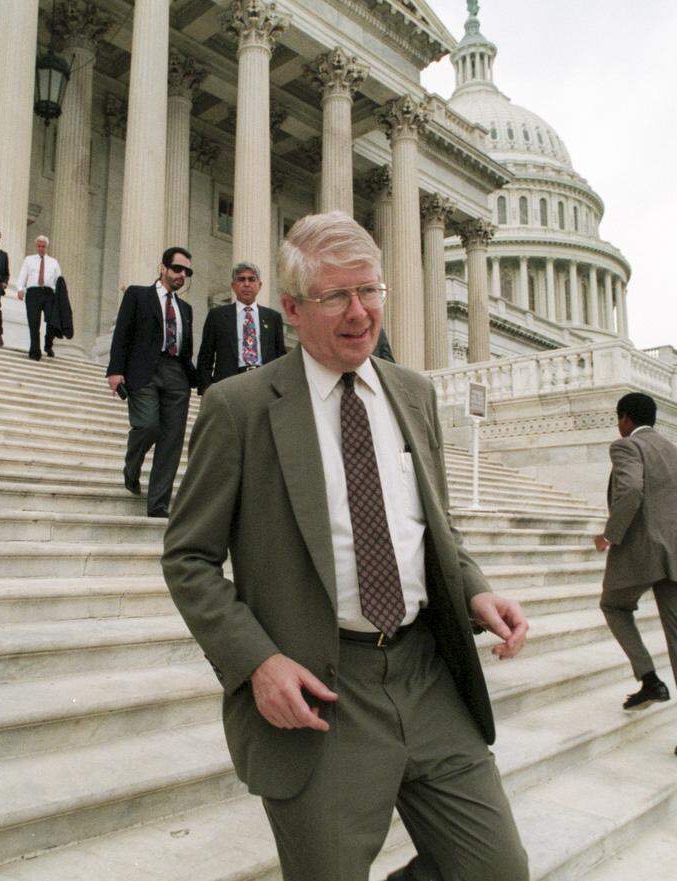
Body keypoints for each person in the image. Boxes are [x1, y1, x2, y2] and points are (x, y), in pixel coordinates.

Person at [161, 212, 530, 881]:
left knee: (496, 871)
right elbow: (188, 558)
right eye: (336, 296)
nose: (360, 313)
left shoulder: (413, 393)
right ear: (293, 309)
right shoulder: (240, 408)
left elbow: (434, 527)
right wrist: (257, 661)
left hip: (428, 675)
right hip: (323, 690)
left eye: (369, 290)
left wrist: (475, 589)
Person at [593, 392, 677, 764]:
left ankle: (648, 678)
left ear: (625, 419)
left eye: (619, 419)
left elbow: (631, 490)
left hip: (645, 552)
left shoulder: (627, 446)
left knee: (613, 606)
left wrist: (610, 535)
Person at [105, 246, 198, 518]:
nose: (182, 275)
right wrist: (115, 370)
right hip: (144, 370)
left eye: (187, 272)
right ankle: (131, 468)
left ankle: (158, 504)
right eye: (177, 269)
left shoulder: (186, 308)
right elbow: (122, 333)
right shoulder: (137, 295)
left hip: (177, 374)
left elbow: (186, 348)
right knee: (147, 425)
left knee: (171, 441)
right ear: (163, 268)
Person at [195, 261, 286, 395]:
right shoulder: (217, 316)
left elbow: (281, 357)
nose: (246, 284)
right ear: (233, 285)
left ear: (259, 285)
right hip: (228, 385)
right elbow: (205, 357)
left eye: (251, 279)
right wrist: (206, 390)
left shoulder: (273, 318)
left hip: (264, 385)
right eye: (241, 279)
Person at [15, 235, 62, 360]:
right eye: (39, 246)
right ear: (36, 246)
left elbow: (59, 280)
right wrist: (20, 289)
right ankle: (35, 351)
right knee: (34, 323)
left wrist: (59, 295)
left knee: (52, 321)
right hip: (33, 293)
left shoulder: (54, 262)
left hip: (48, 293)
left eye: (43, 246)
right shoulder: (29, 260)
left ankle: (48, 345)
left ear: (47, 247)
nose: (41, 248)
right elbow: (23, 275)